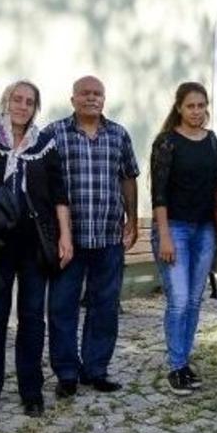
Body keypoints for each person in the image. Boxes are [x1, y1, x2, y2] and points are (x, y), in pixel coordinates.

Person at [0, 81, 73, 418]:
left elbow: (59, 194)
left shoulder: (45, 144)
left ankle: (31, 390)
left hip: (34, 245)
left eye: (30, 102)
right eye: (17, 99)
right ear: (6, 101)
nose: (22, 106)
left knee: (31, 318)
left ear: (35, 108)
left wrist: (65, 236)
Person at [46, 76, 140, 397]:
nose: (91, 98)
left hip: (109, 236)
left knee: (105, 306)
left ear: (104, 99)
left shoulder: (118, 134)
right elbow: (45, 182)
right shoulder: (54, 134)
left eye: (97, 93)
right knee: (62, 307)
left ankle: (96, 369)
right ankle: (67, 373)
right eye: (84, 93)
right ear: (72, 99)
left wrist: (132, 220)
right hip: (68, 240)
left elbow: (128, 177)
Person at [150, 82, 217, 394]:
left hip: (205, 229)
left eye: (201, 105)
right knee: (178, 300)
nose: (196, 111)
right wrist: (164, 235)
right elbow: (158, 193)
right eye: (190, 106)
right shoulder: (167, 142)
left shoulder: (212, 140)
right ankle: (176, 366)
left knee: (193, 300)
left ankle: (185, 360)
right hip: (174, 228)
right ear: (179, 107)